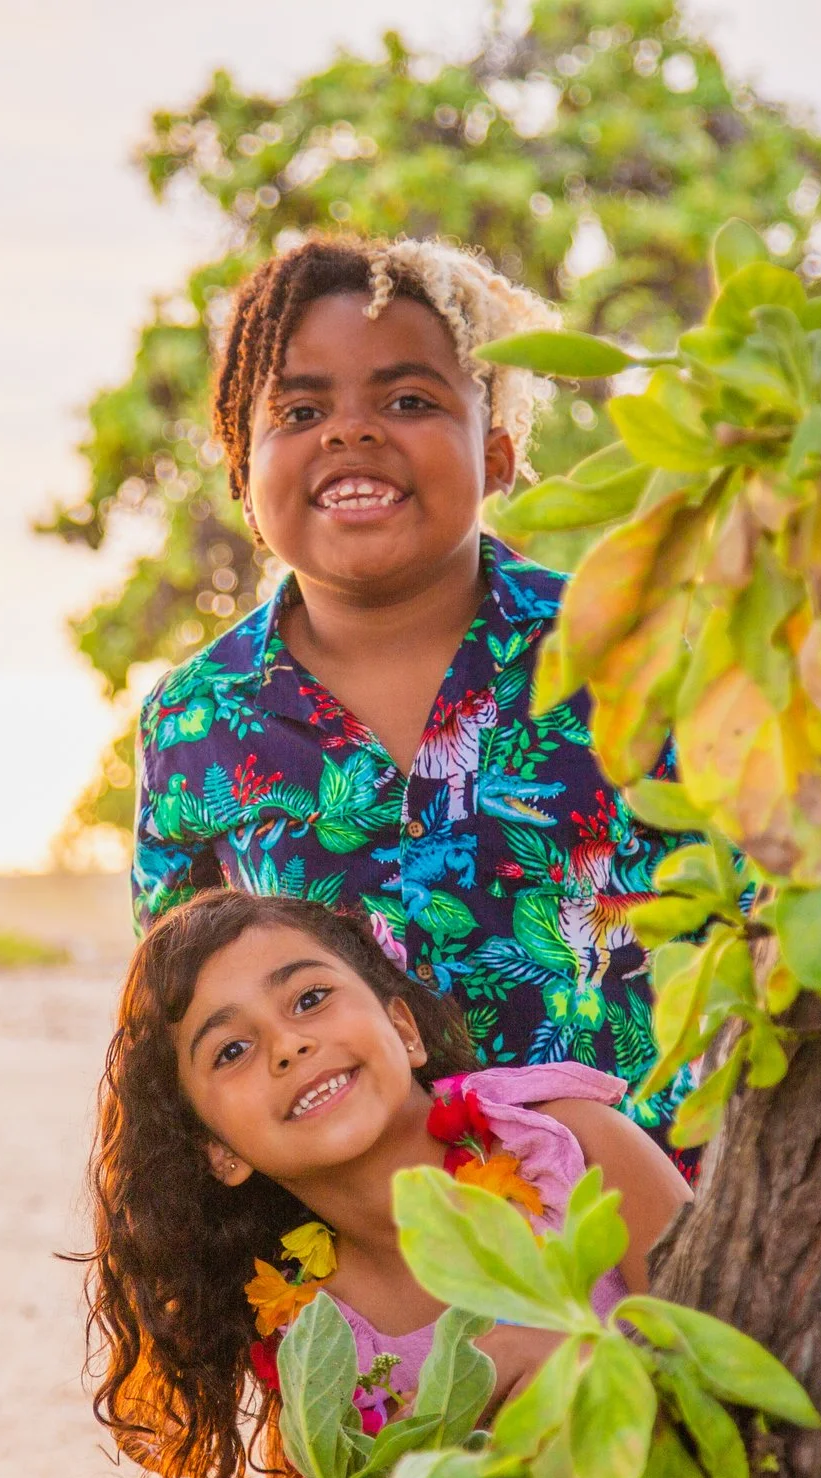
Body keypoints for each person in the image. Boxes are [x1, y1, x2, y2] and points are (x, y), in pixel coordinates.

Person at [130, 234, 701, 1169]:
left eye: (409, 400)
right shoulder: (193, 723)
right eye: (301, 408)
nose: (350, 432)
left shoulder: (622, 645)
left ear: (501, 452)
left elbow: (744, 913)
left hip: (641, 1227)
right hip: (353, 1256)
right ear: (242, 471)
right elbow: (178, 1008)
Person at [84, 889, 691, 1478]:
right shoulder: (316, 1355)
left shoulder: (571, 1144)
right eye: (230, 1050)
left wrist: (596, 1369)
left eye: (309, 997)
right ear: (220, 1152)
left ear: (402, 1028)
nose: (287, 1045)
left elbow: (741, 1344)